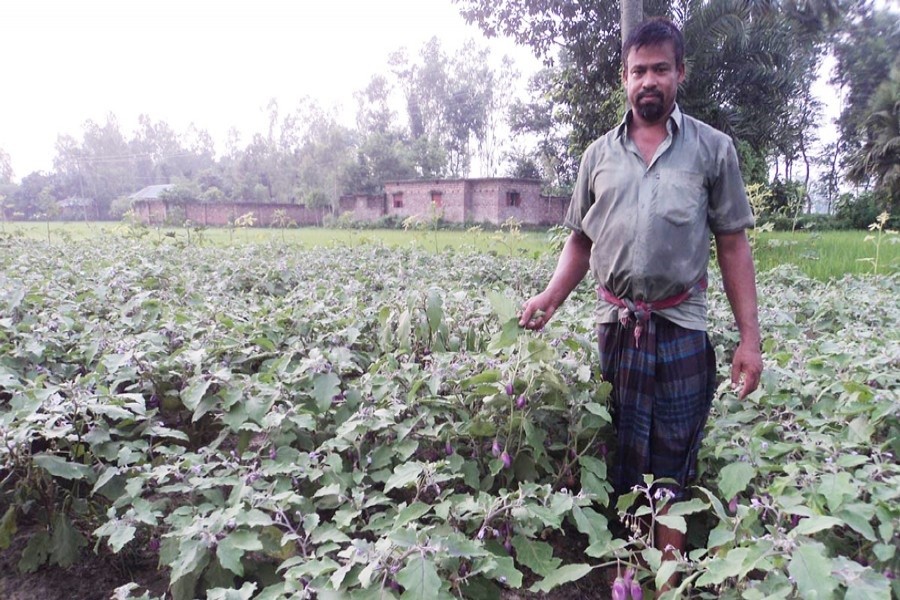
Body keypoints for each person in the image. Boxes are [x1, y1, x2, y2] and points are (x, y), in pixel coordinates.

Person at [518, 16, 762, 573]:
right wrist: (549, 298)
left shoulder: (712, 150)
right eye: (637, 71)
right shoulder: (597, 156)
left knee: (673, 456)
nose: (647, 80)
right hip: (617, 326)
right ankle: (629, 571)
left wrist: (750, 339)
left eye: (659, 69)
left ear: (680, 73)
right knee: (623, 452)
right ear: (624, 79)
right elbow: (580, 240)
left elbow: (733, 246)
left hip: (681, 326)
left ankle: (667, 578)